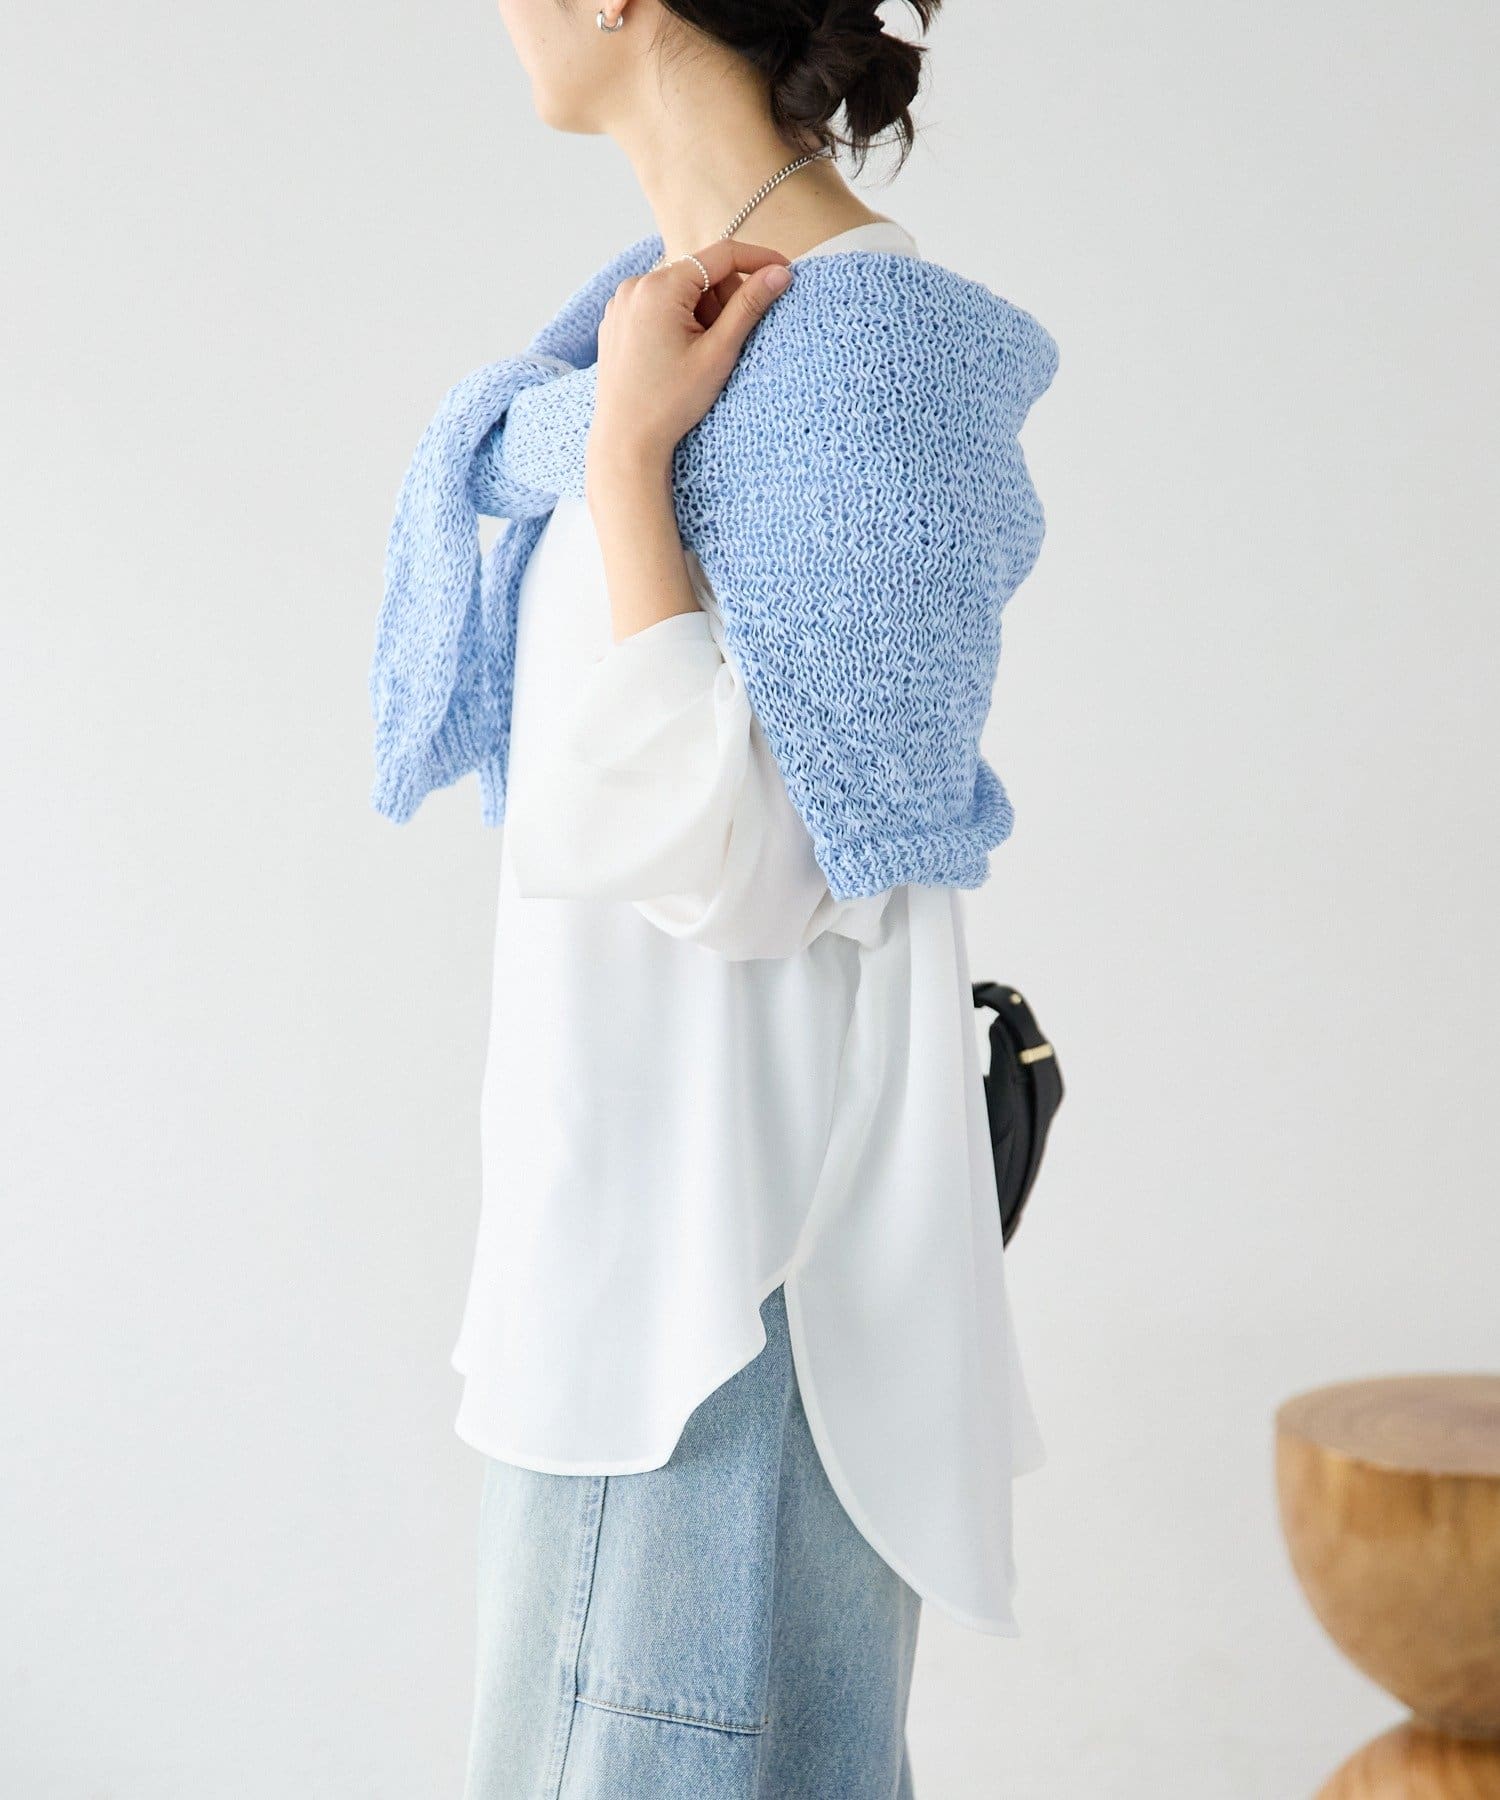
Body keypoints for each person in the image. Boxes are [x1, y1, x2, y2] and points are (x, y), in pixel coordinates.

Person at [370, 2, 1058, 1793]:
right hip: (675, 1271)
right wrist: (613, 433)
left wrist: (623, 470)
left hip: (713, 1307)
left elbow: (758, 871)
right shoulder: (670, 338)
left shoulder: (861, 369)